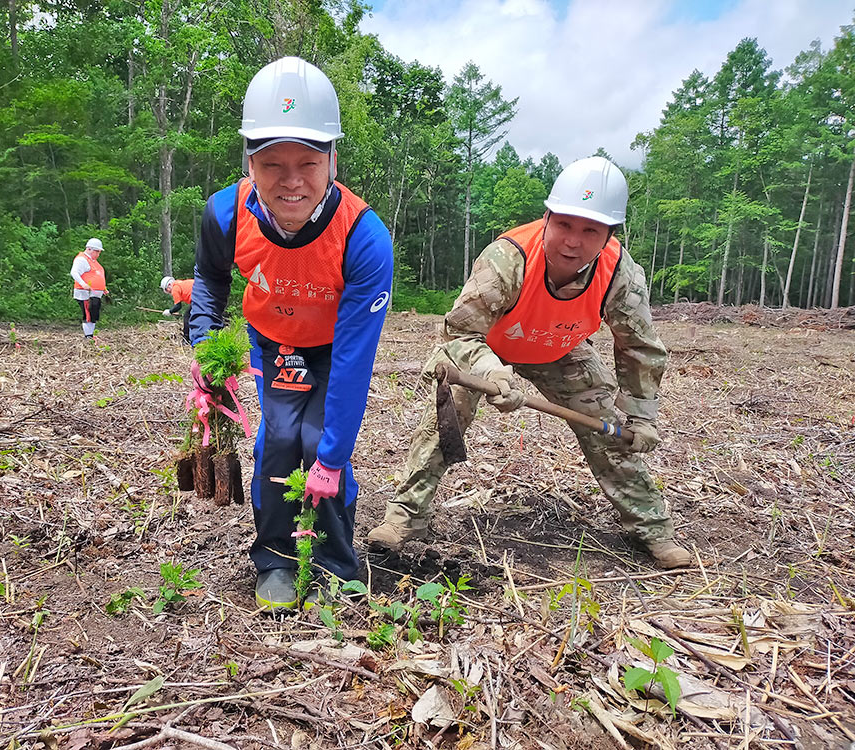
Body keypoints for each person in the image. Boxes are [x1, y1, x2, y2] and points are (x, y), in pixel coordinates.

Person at [367, 157, 692, 570]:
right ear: (547, 217)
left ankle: (653, 529)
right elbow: (460, 333)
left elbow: (640, 347)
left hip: (559, 349)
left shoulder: (619, 274)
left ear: (610, 235)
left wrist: (641, 415)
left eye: (590, 230)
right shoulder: (508, 258)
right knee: (445, 418)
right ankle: (406, 517)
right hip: (485, 350)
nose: (573, 241)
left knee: (610, 430)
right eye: (564, 225)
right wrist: (491, 372)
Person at [189, 57, 394, 610]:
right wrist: (206, 348)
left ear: (333, 159)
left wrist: (330, 459)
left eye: (308, 161)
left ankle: (335, 565)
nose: (292, 180)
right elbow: (209, 280)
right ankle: (274, 560)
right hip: (274, 341)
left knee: (320, 445)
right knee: (278, 442)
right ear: (249, 162)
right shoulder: (225, 213)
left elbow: (355, 360)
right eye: (272, 163)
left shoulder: (363, 237)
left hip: (333, 349)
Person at [71, 238, 107, 340]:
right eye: (97, 251)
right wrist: (83, 284)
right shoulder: (81, 259)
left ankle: (91, 335)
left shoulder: (93, 261)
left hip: (95, 293)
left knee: (94, 313)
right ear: (90, 249)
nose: (98, 254)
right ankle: (88, 336)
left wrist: (103, 288)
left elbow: (96, 275)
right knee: (88, 313)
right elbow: (74, 273)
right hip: (85, 293)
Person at [160, 276, 194, 343]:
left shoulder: (175, 288)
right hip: (202, 293)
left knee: (187, 316)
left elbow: (178, 306)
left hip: (197, 297)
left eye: (167, 290)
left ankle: (186, 338)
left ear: (169, 285)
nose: (168, 292)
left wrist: (170, 311)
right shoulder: (179, 283)